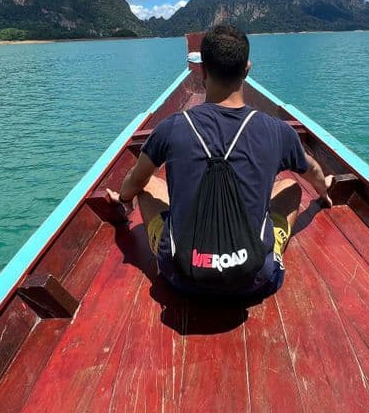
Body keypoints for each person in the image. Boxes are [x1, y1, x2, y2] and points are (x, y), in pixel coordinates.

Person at [105, 25, 334, 297]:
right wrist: (323, 189)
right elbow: (313, 171)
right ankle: (273, 248)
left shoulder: (171, 127)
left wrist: (123, 198)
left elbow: (135, 180)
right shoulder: (277, 131)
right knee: (290, 186)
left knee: (147, 184)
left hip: (181, 277)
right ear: (247, 70)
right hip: (255, 280)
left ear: (203, 71)